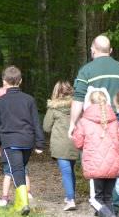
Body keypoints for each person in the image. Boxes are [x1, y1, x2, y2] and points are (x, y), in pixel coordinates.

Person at [68, 34, 119, 214]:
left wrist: (73, 124)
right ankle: (114, 209)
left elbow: (78, 99)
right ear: (111, 51)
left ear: (92, 50)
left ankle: (102, 210)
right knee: (116, 169)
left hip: (94, 129)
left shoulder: (86, 71)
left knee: (97, 171)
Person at [0, 66, 45, 215]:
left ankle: (23, 204)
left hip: (9, 142)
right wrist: (40, 143)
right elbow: (36, 123)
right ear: (20, 81)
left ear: (4, 82)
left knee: (17, 170)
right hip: (27, 142)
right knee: (20, 169)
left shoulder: (0, 101)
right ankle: (22, 201)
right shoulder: (29, 99)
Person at [72, 90, 119, 217]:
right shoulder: (115, 121)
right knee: (108, 198)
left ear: (89, 102)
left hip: (95, 165)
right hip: (114, 165)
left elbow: (78, 144)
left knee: (96, 199)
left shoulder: (84, 121)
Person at [43, 81, 79, 211]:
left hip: (59, 143)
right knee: (71, 170)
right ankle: (71, 196)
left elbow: (46, 127)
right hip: (75, 142)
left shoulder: (53, 108)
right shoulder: (77, 106)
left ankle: (70, 199)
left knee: (66, 171)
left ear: (56, 92)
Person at [0, 85, 33, 208]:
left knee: (9, 172)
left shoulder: (2, 109)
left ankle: (11, 197)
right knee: (21, 171)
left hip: (9, 146)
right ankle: (25, 195)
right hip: (17, 145)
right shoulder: (19, 106)